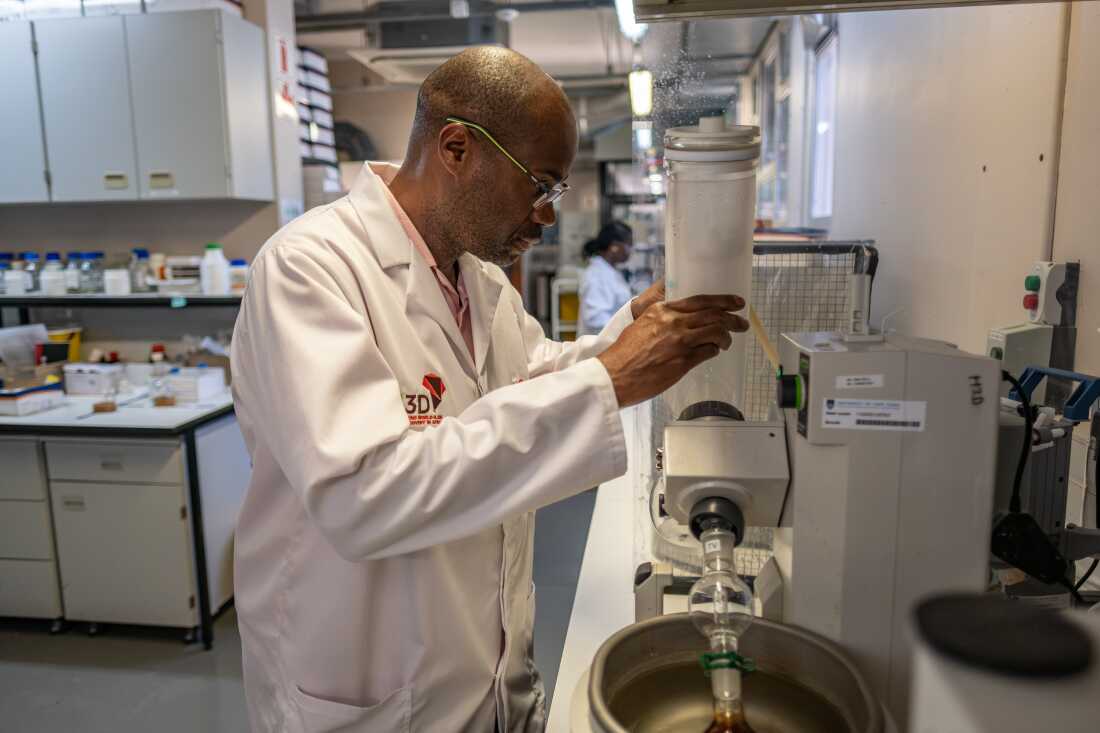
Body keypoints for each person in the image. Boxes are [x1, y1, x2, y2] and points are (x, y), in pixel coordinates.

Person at [230, 46, 749, 733]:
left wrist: (630, 334)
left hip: (490, 681)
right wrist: (612, 376)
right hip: (366, 697)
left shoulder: (479, 281)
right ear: (455, 148)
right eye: (540, 184)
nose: (547, 215)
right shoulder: (309, 269)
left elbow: (529, 377)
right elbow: (363, 492)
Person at [579, 220, 634, 335]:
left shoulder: (610, 271)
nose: (630, 250)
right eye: (629, 244)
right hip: (600, 348)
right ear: (614, 246)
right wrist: (632, 326)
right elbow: (596, 320)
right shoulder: (597, 275)